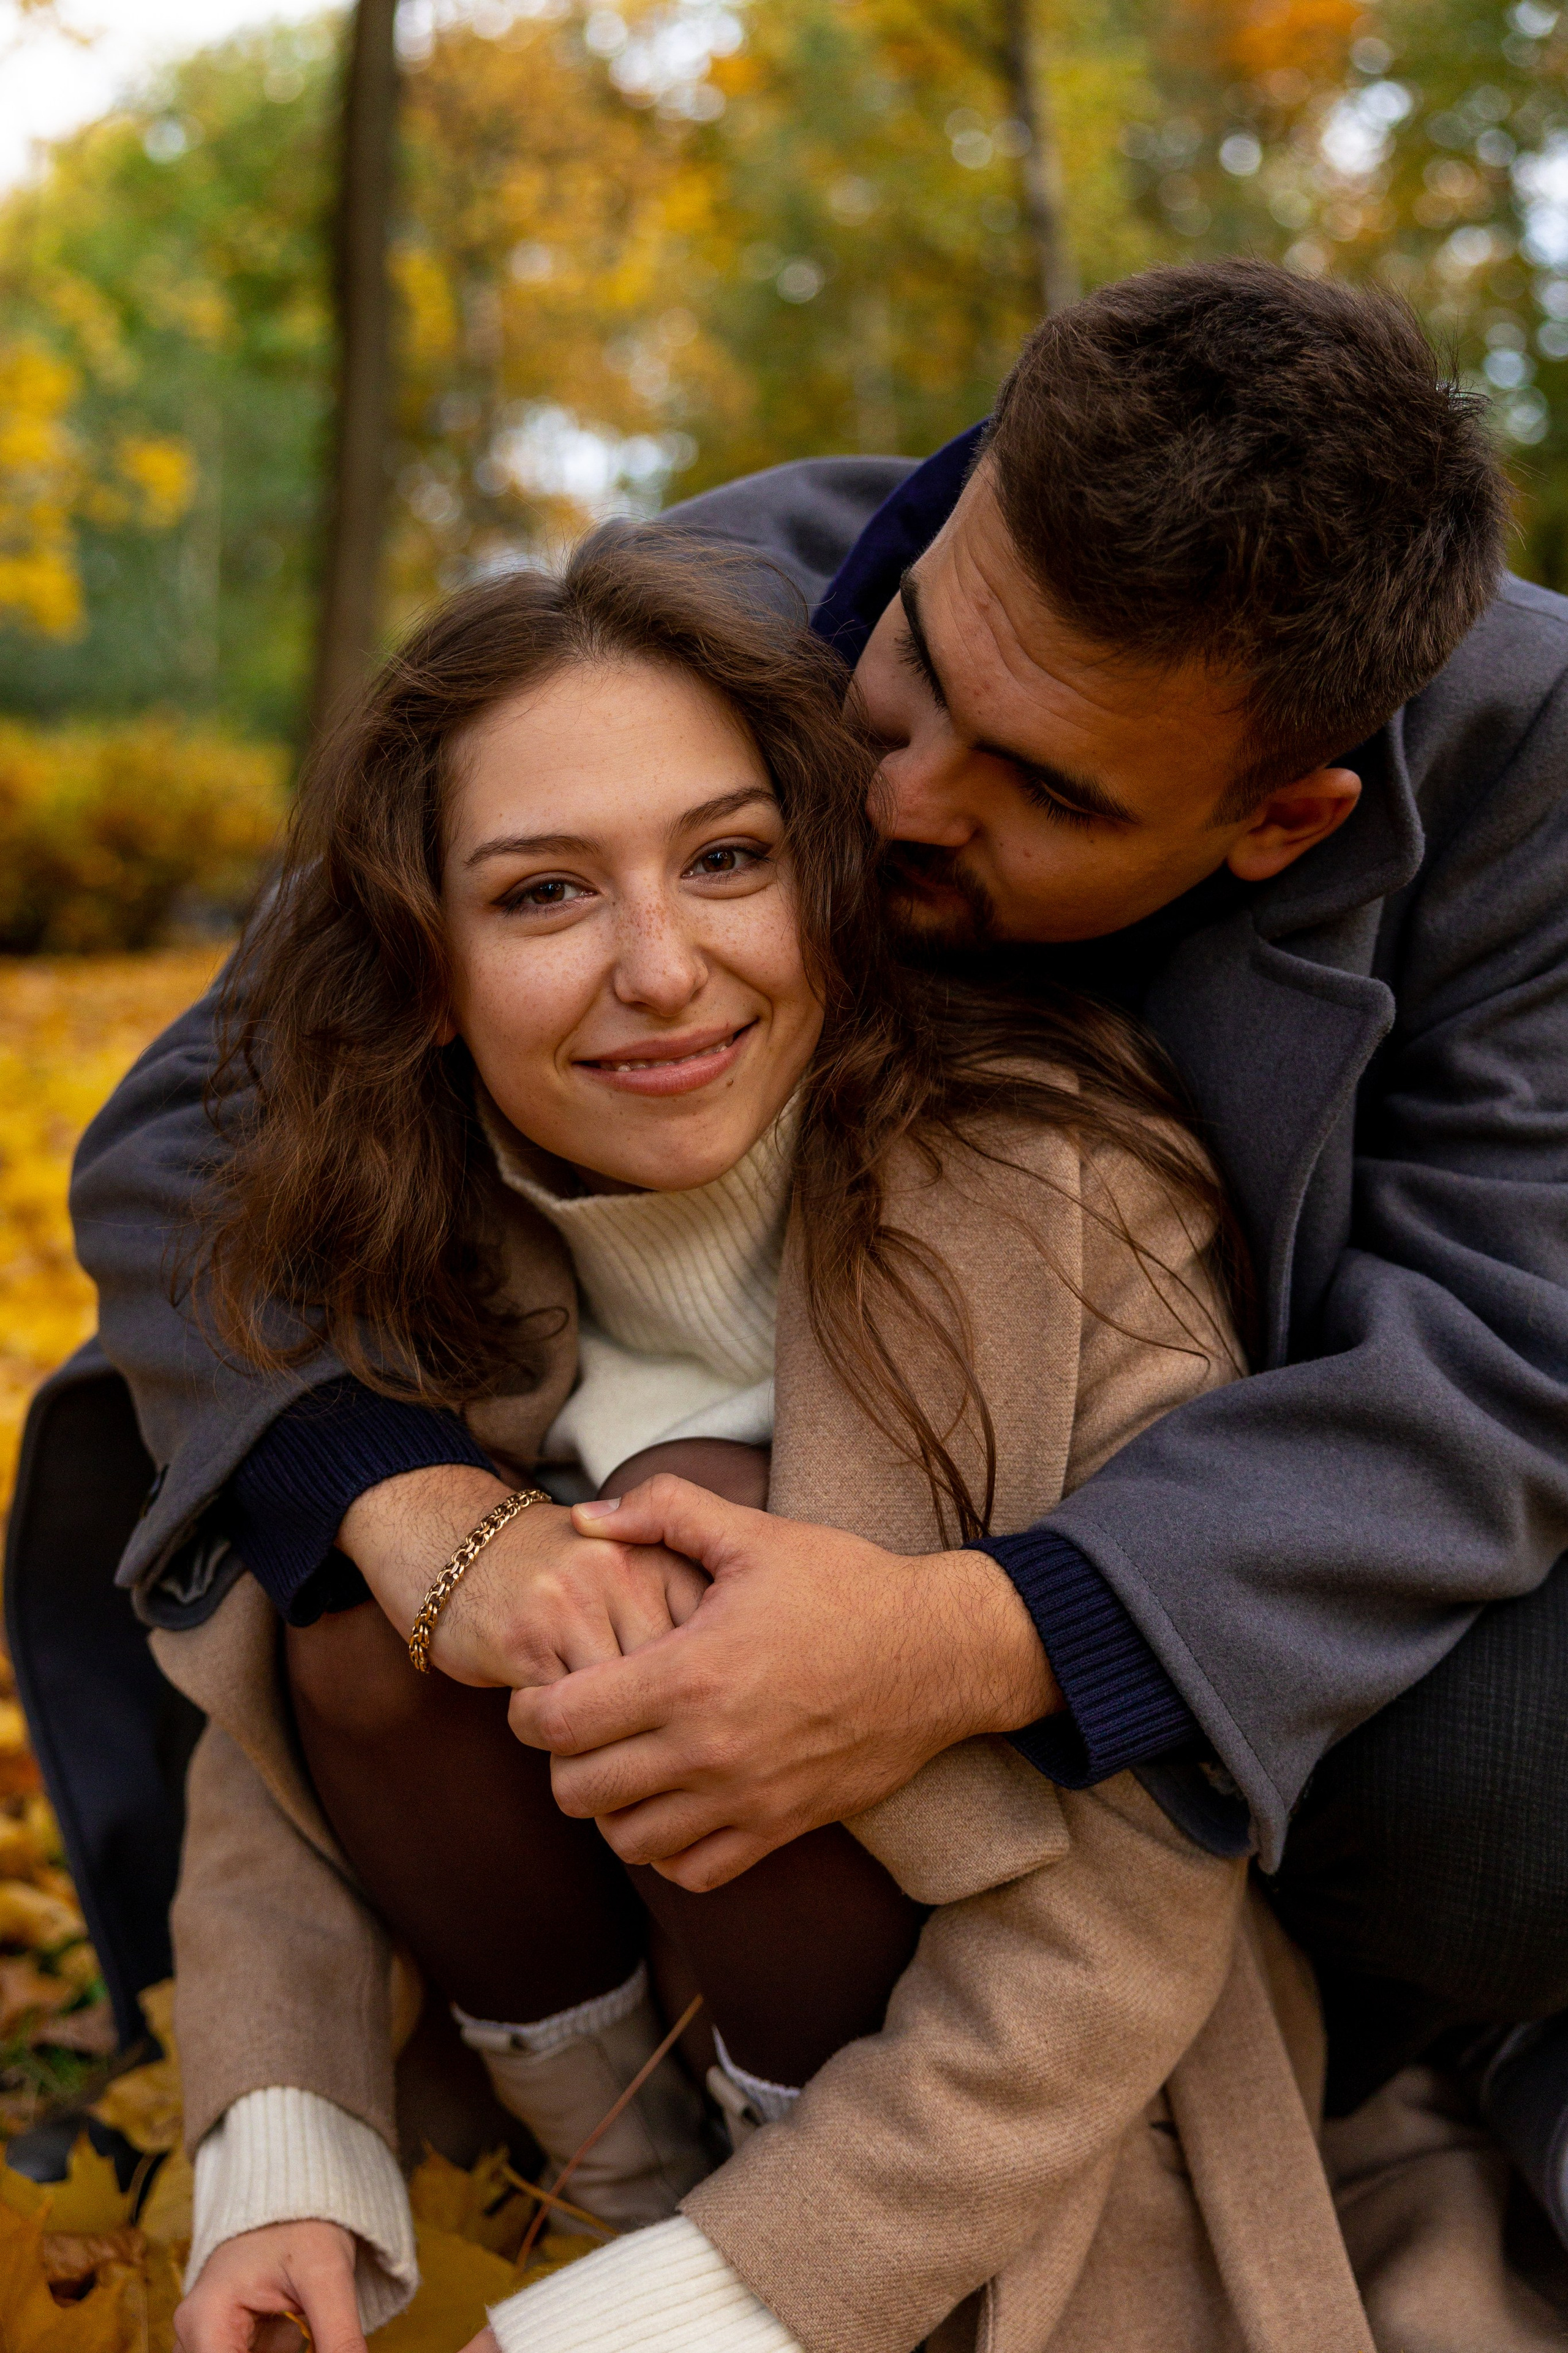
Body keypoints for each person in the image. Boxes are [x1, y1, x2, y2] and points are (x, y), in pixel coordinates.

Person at [71, 260, 1568, 2164]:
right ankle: (593, 2145)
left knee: (1521, 1791)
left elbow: (1513, 1349)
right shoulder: (700, 600)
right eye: (925, 668)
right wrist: (416, 1499)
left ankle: (1335, 2094)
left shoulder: (1540, 776)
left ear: (1284, 820)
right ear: (965, 494)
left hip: (1208, 1494)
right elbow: (193, 1127)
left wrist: (975, 1637)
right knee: (349, 1580)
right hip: (669, 1404)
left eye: (1042, 787)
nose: (904, 792)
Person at [157, 535, 1360, 2353]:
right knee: (353, 1577)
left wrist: (711, 2302)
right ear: (425, 965)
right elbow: (264, 1746)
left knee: (693, 1531)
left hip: (993, 2127)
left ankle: (725, 2261)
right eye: (547, 895)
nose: (662, 970)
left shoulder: (1060, 1192)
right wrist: (288, 2142)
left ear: (834, 866)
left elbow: (1135, 1906)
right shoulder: (408, 1203)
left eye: (728, 860)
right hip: (598, 2023)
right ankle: (614, 2182)